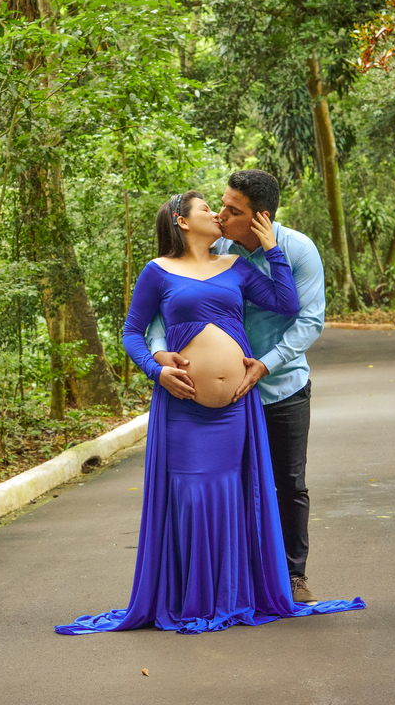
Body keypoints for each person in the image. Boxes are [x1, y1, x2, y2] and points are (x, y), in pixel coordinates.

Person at [54, 191, 362, 635]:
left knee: (236, 496)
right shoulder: (157, 272)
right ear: (181, 221)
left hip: (237, 407)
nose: (216, 215)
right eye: (207, 209)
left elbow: (288, 304)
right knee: (192, 495)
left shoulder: (236, 266)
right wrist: (154, 369)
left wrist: (272, 249)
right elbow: (133, 331)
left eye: (223, 209)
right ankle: (192, 597)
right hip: (182, 407)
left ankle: (235, 594)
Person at [150, 170, 325, 605]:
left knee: (288, 481)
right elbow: (158, 313)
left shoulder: (298, 250)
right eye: (220, 205)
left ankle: (293, 575)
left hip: (281, 386)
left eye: (233, 209)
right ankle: (242, 577)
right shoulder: (220, 249)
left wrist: (264, 366)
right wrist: (157, 355)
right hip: (227, 402)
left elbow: (307, 320)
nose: (221, 214)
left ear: (260, 216)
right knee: (236, 484)